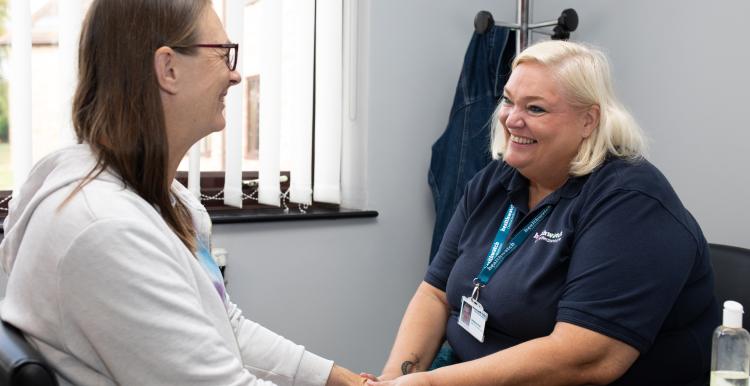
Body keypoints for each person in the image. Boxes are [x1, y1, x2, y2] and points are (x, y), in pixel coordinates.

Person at [0, 0, 364, 385]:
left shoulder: (156, 198)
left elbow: (225, 328)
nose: (235, 75)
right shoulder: (105, 229)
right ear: (168, 68)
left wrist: (347, 381)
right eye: (223, 54)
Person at [364, 41, 719, 385]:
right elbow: (435, 293)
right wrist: (395, 377)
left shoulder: (630, 201)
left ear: (588, 120)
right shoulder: (495, 180)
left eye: (535, 109)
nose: (511, 120)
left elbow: (586, 357)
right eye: (508, 101)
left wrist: (431, 384)